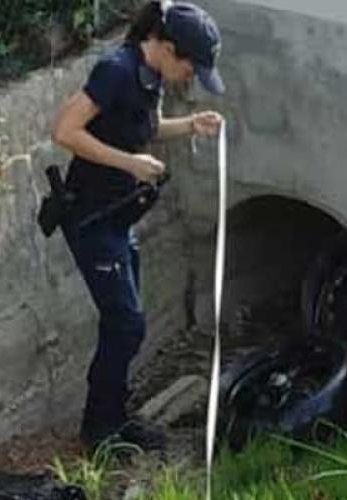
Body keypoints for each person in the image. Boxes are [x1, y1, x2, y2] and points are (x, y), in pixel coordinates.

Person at [50, 0, 226, 453]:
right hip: (90, 218)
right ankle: (98, 430)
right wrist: (129, 163)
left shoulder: (150, 78)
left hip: (119, 215)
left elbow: (139, 128)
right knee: (125, 323)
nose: (191, 76)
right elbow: (65, 131)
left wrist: (189, 125)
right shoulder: (116, 69)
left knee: (128, 323)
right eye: (190, 66)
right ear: (166, 47)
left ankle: (113, 418)